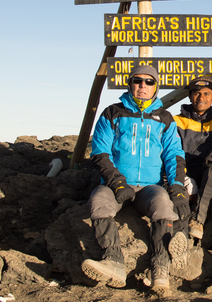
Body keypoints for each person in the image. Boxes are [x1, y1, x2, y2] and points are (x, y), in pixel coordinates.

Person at [81, 65, 190, 294]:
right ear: (130, 84)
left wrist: (177, 186)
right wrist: (117, 182)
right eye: (138, 81)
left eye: (149, 82)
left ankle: (160, 269)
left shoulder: (165, 118)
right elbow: (100, 152)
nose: (143, 86)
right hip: (116, 185)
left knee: (164, 207)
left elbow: (174, 155)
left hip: (150, 186)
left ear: (156, 86)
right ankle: (114, 262)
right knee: (99, 203)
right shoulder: (113, 113)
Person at [173, 75, 212, 240]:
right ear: (190, 96)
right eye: (197, 93)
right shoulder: (175, 122)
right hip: (187, 177)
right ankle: (182, 240)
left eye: (206, 94)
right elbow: (173, 153)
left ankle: (198, 219)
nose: (201, 98)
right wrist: (184, 178)